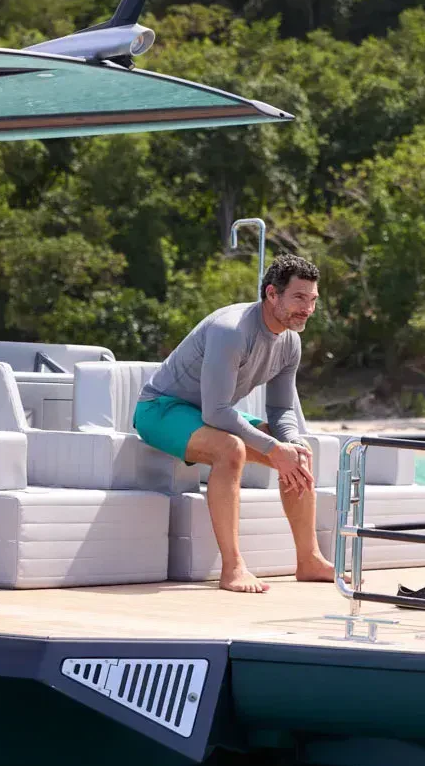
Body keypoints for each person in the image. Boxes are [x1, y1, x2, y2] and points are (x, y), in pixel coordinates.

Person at [133, 254, 339, 594]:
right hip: (161, 409)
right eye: (299, 298)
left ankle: (310, 560)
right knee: (231, 449)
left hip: (207, 412)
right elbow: (216, 413)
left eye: (313, 299)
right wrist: (273, 449)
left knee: (299, 452)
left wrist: (289, 443)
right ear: (272, 294)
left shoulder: (290, 341)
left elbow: (281, 408)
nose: (308, 309)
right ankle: (232, 568)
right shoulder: (231, 331)